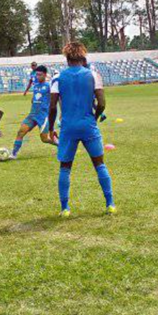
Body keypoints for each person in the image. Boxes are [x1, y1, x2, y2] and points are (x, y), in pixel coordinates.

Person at [48, 42, 115, 218]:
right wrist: (94, 118)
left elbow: (53, 107)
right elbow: (101, 103)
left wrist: (50, 128)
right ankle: (110, 204)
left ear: (67, 57)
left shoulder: (57, 78)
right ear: (83, 56)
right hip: (88, 126)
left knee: (65, 168)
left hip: (68, 127)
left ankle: (65, 208)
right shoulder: (93, 75)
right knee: (99, 164)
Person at [10, 65, 57, 159]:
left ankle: (61, 146)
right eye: (36, 75)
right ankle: (13, 154)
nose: (37, 77)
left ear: (45, 75)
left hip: (43, 116)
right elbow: (34, 98)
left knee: (44, 139)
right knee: (20, 132)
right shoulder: (35, 86)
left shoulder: (49, 86)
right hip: (32, 114)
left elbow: (54, 100)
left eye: (40, 75)